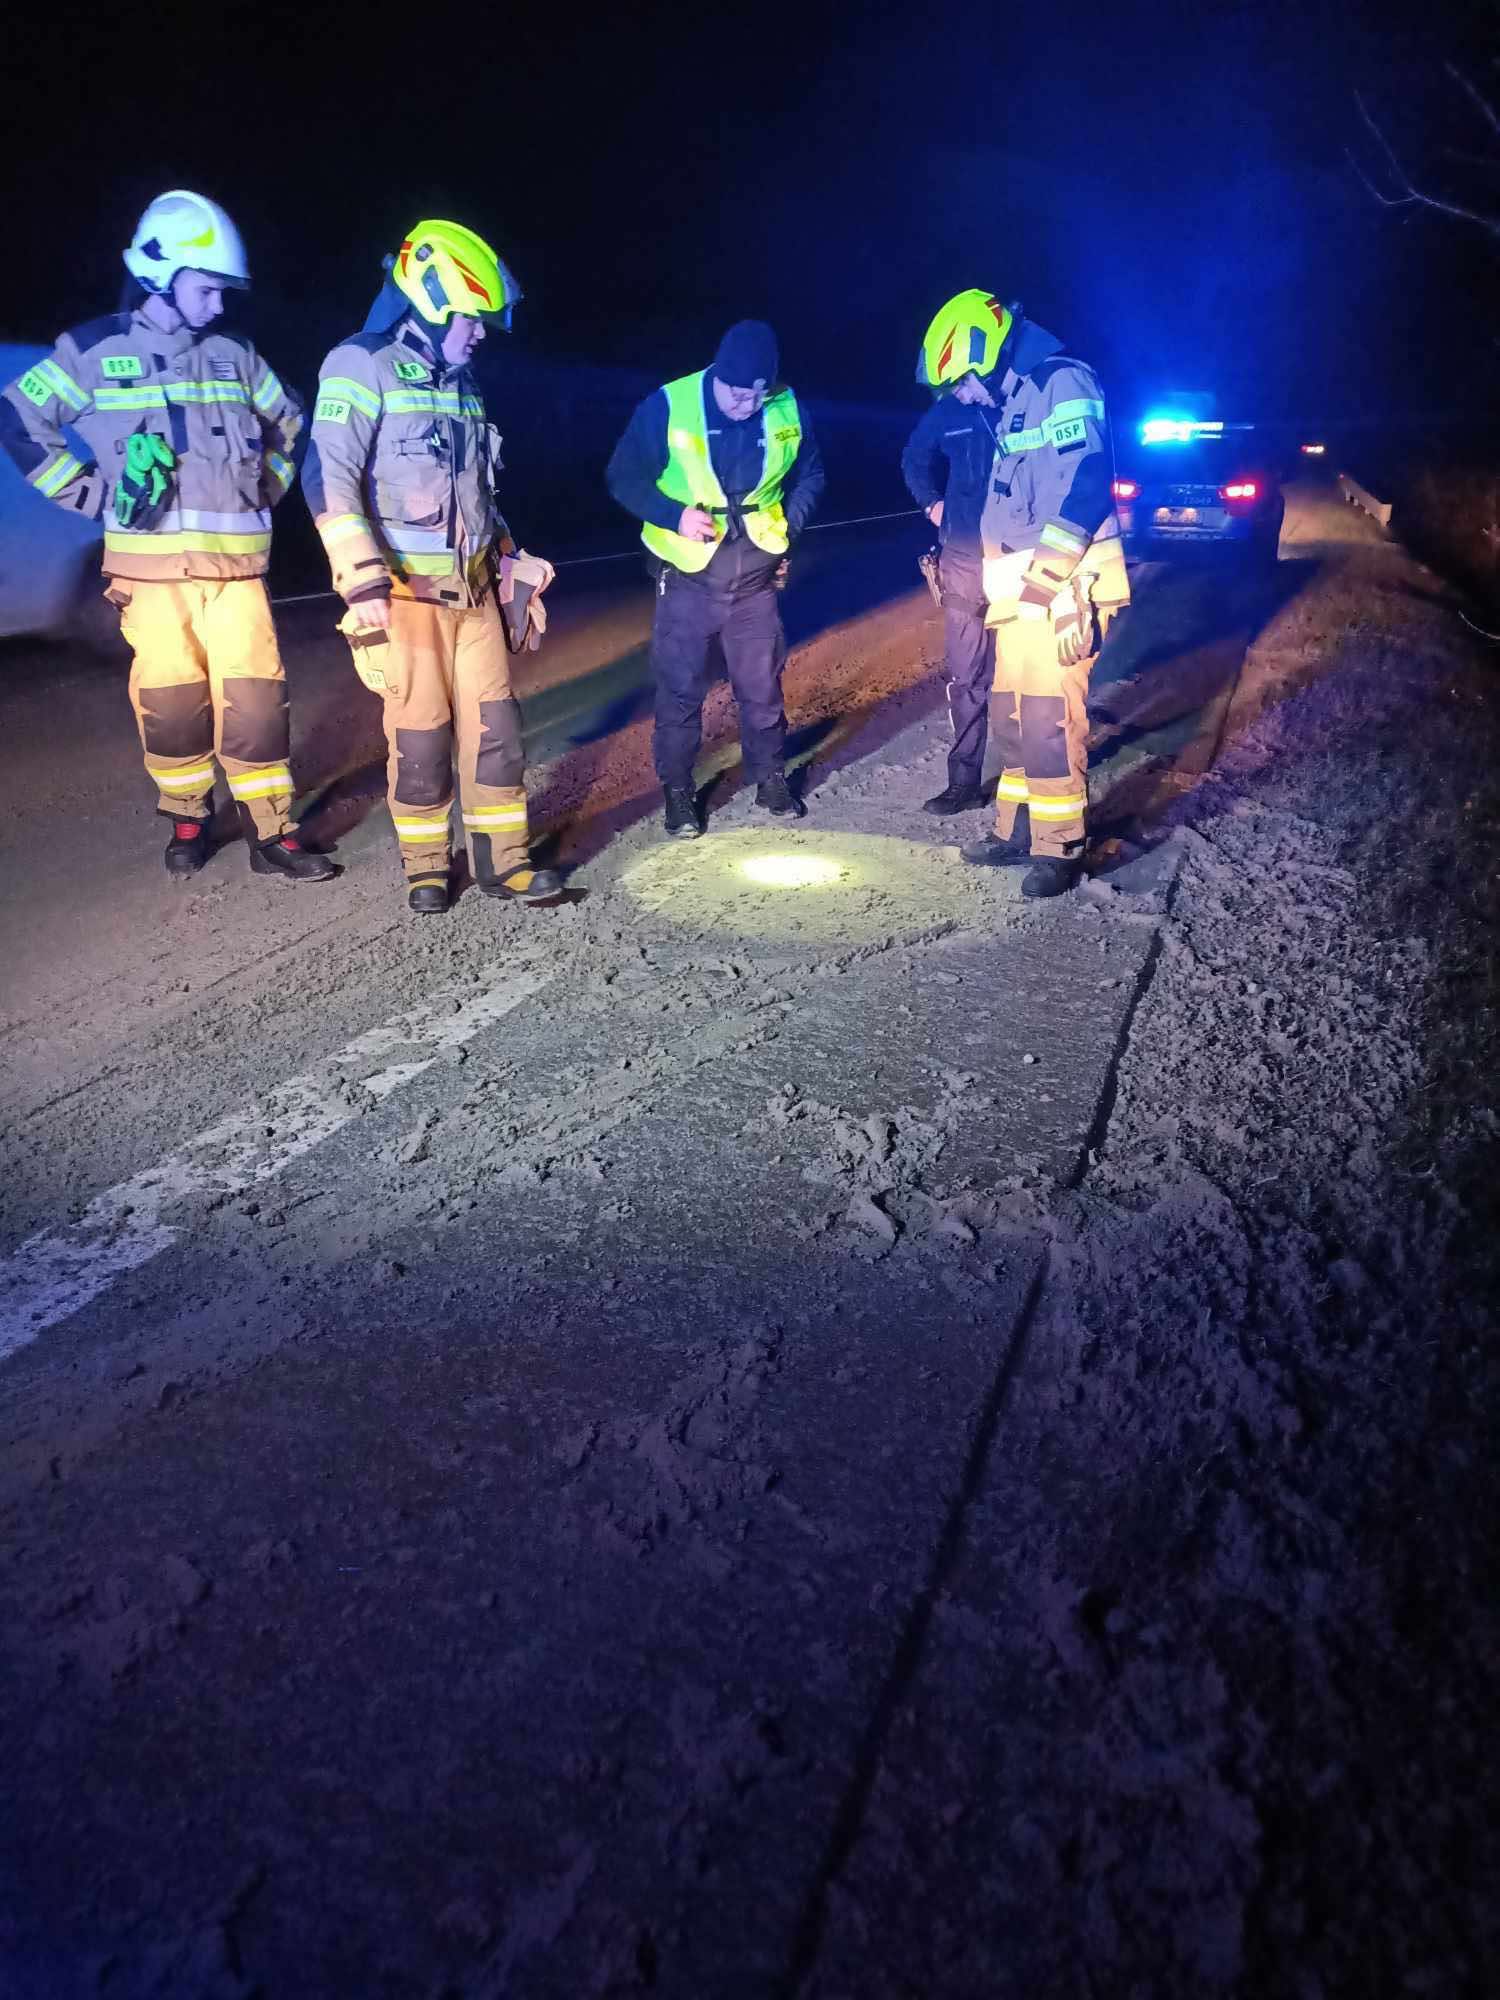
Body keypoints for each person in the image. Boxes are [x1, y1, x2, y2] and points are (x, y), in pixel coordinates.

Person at [0, 190, 331, 882]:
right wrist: (93, 495)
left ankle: (272, 832)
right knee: (171, 703)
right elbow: (19, 419)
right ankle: (188, 819)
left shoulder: (237, 355)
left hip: (236, 573)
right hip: (151, 578)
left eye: (222, 291)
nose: (218, 304)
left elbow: (291, 421)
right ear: (161, 274)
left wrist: (265, 489)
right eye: (207, 289)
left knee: (257, 700)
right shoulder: (94, 350)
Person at [301, 219, 562, 915]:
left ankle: (506, 862)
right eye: (472, 320)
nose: (480, 334)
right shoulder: (360, 364)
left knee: (497, 734)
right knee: (420, 741)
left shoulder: (463, 384)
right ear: (434, 303)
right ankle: (426, 867)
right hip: (406, 599)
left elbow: (476, 492)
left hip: (476, 596)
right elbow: (328, 475)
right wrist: (359, 576)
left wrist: (510, 562)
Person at [900, 289, 1130, 896]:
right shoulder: (1017, 400)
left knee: (1050, 721)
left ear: (988, 353)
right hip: (1021, 600)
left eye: (960, 382)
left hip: (1061, 591)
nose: (959, 396)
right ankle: (1017, 831)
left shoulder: (1062, 383)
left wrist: (1053, 584)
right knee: (1011, 716)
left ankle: (1061, 847)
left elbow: (1086, 484)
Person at [606, 320, 825, 838]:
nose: (747, 405)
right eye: (737, 394)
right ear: (717, 376)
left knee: (762, 688)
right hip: (688, 577)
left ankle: (770, 779)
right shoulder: (670, 405)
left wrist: (787, 530)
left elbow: (811, 474)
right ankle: (679, 793)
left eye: (758, 395)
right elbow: (622, 476)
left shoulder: (786, 405)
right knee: (681, 690)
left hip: (755, 580)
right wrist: (673, 515)